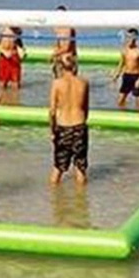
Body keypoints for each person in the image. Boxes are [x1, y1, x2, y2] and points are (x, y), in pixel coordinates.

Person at [49, 54, 90, 185]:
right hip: (79, 125)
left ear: (61, 67)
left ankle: (54, 201)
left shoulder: (57, 84)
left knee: (58, 168)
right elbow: (86, 108)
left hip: (63, 126)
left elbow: (52, 111)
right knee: (80, 167)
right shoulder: (84, 83)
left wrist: (52, 130)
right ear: (75, 66)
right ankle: (81, 203)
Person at [112, 28, 139, 109]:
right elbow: (121, 64)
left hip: (135, 77)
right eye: (127, 37)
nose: (128, 39)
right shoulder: (124, 50)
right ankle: (122, 116)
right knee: (120, 101)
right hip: (126, 76)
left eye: (130, 37)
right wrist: (116, 75)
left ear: (135, 38)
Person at [0, 25, 26, 94]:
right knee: (2, 83)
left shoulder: (17, 30)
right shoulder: (2, 31)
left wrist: (22, 52)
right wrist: (3, 51)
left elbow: (20, 45)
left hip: (14, 57)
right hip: (4, 58)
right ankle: (2, 99)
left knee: (16, 83)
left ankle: (15, 100)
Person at [51, 4, 77, 75]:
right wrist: (55, 52)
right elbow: (57, 42)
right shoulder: (56, 27)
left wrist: (54, 54)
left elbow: (67, 47)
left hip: (68, 57)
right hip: (60, 56)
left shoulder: (68, 28)